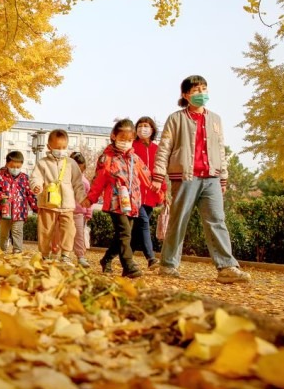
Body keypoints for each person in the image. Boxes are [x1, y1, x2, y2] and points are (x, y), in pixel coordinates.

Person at [150, 75, 251, 283]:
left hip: (211, 177)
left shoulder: (215, 119)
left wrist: (223, 176)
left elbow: (220, 149)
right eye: (196, 90)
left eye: (204, 89)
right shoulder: (176, 118)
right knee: (179, 221)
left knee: (217, 221)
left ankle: (226, 267)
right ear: (186, 95)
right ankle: (168, 265)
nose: (201, 94)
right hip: (185, 177)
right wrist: (158, 176)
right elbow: (164, 148)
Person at [83, 119, 154, 278]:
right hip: (116, 203)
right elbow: (98, 180)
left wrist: (160, 189)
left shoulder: (134, 158)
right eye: (122, 139)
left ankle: (106, 259)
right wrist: (91, 198)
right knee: (125, 233)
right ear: (113, 136)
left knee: (123, 235)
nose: (126, 143)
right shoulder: (107, 158)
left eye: (129, 140)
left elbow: (146, 176)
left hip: (132, 203)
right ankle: (128, 265)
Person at [30, 129, 87, 264]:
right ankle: (45, 254)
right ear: (49, 147)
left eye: (63, 147)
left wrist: (82, 198)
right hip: (47, 203)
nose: (61, 150)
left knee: (69, 228)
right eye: (57, 147)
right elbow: (35, 177)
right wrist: (36, 186)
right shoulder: (43, 163)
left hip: (66, 204)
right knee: (45, 230)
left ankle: (66, 254)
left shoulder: (71, 164)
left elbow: (78, 183)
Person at [131, 116, 167, 269]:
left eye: (146, 126)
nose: (142, 128)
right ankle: (151, 258)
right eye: (139, 126)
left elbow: (160, 171)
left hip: (151, 194)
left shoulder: (156, 149)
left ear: (152, 129)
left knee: (137, 231)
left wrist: (164, 191)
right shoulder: (131, 147)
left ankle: (116, 256)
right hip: (135, 193)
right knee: (144, 223)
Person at [0, 151, 38, 253]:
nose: (15, 169)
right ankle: (2, 250)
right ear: (7, 164)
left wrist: (36, 208)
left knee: (17, 231)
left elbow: (30, 194)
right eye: (13, 166)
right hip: (5, 210)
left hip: (19, 210)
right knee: (3, 232)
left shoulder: (25, 178)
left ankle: (17, 250)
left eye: (18, 167)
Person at [70, 152, 93, 268]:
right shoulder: (65, 181)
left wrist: (88, 213)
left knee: (79, 236)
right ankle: (63, 255)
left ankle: (80, 256)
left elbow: (89, 199)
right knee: (63, 235)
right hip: (66, 211)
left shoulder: (85, 182)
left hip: (79, 213)